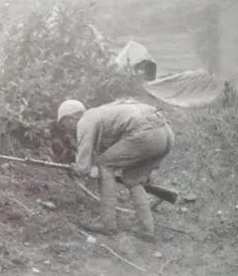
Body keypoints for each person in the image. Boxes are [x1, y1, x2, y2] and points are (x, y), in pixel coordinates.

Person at [57, 98, 174, 242]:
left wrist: (78, 169)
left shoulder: (85, 121)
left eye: (65, 124)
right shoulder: (103, 115)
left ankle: (108, 224)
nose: (67, 129)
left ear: (70, 118)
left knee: (105, 165)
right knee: (132, 179)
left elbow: (84, 166)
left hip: (146, 133)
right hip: (166, 134)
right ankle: (147, 231)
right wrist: (93, 169)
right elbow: (105, 153)